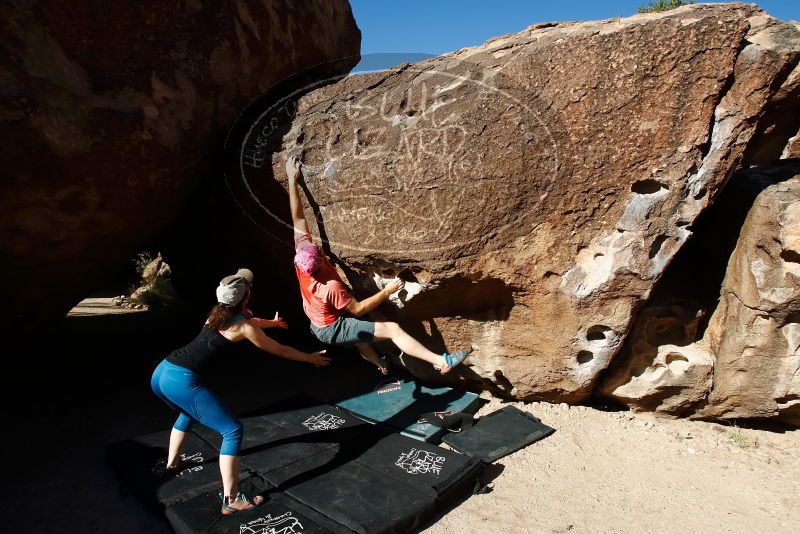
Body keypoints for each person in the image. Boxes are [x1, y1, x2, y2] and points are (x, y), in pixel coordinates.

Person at [150, 268, 330, 515]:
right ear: (246, 297)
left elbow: (250, 321)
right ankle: (231, 499)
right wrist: (308, 358)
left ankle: (173, 463)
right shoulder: (244, 325)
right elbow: (281, 350)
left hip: (162, 372)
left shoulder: (215, 314)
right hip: (181, 380)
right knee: (232, 431)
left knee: (186, 412)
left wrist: (273, 323)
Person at [285, 156, 471, 374]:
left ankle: (381, 365)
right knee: (391, 329)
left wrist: (292, 179)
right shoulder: (330, 287)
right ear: (318, 260)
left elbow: (297, 219)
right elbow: (358, 309)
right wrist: (387, 291)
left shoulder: (302, 260)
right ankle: (441, 362)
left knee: (360, 338)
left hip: (317, 321)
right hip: (330, 327)